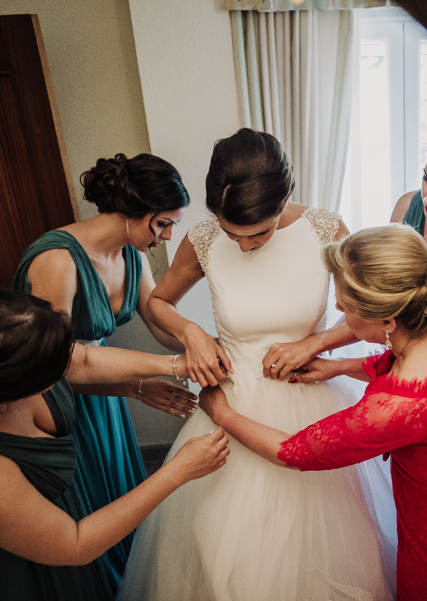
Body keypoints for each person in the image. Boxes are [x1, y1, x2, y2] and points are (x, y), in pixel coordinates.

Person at [117, 128, 394, 601]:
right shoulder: (203, 239)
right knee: (223, 548)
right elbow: (159, 302)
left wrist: (317, 342)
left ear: (284, 197)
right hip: (231, 405)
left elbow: (376, 311)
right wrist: (193, 333)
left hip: (310, 403)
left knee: (325, 554)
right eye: (232, 234)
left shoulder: (324, 229)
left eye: (259, 233)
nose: (244, 247)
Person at [200, 225, 427, 601]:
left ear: (387, 321)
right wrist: (340, 366)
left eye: (346, 308)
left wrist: (222, 412)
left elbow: (294, 451)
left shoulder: (397, 407)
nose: (337, 311)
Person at [0, 289, 229, 601]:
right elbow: (73, 544)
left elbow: (84, 360)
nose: (68, 367)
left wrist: (175, 366)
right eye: (55, 372)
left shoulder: (8, 340)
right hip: (4, 569)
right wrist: (178, 471)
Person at [12, 152, 198, 592]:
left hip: (103, 395)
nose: (168, 236)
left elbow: (159, 323)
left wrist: (204, 341)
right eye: (164, 223)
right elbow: (61, 361)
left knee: (119, 493)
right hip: (53, 401)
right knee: (85, 507)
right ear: (134, 213)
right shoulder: (58, 260)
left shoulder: (131, 256)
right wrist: (173, 367)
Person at [261, 120, 427, 383]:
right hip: (395, 374)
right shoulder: (408, 206)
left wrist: (336, 362)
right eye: (426, 178)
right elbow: (375, 304)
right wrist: (319, 348)